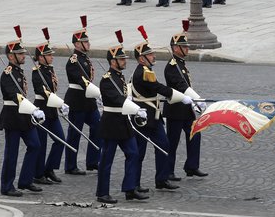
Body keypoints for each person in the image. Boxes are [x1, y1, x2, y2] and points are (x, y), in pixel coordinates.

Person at [130, 31, 191, 191]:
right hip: (143, 118)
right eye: (150, 55)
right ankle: (134, 184)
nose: (153, 57)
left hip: (154, 116)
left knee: (164, 145)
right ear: (141, 58)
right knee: (140, 152)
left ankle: (162, 179)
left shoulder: (146, 70)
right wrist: (180, 96)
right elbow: (159, 88)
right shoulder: (143, 72)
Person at [96, 31, 148, 204]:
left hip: (123, 122)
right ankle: (102, 193)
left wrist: (131, 101)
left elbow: (124, 96)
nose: (125, 61)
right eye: (122, 59)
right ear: (113, 62)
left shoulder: (119, 77)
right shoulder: (106, 80)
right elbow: (117, 99)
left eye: (125, 58)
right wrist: (135, 108)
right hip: (111, 124)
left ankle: (130, 188)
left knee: (133, 153)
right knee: (106, 160)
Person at [0, 40, 44, 197]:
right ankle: (7, 186)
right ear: (11, 56)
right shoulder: (8, 73)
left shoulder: (18, 71)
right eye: (20, 54)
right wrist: (34, 109)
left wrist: (31, 110)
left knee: (35, 145)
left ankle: (25, 180)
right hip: (12, 116)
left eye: (23, 53)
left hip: (23, 115)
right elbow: (15, 95)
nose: (24, 56)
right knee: (12, 153)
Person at [164, 20, 207, 181]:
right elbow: (181, 85)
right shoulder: (172, 66)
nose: (187, 48)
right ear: (176, 48)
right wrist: (197, 98)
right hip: (175, 110)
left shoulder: (180, 64)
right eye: (185, 46)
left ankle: (191, 166)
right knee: (172, 143)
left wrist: (195, 101)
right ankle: (168, 171)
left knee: (195, 135)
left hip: (186, 110)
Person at [64, 21, 102, 176]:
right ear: (77, 44)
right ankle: (70, 165)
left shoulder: (85, 58)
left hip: (89, 100)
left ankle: (92, 161)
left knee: (98, 128)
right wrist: (98, 93)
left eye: (88, 41)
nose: (88, 44)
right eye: (85, 42)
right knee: (75, 133)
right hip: (77, 100)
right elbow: (82, 81)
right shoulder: (73, 60)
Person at [32, 40, 68, 185]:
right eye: (48, 55)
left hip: (51, 109)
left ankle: (50, 168)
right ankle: (38, 174)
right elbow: (43, 91)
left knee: (60, 140)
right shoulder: (37, 72)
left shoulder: (49, 69)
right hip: (42, 108)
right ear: (41, 57)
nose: (52, 57)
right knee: (42, 143)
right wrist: (59, 102)